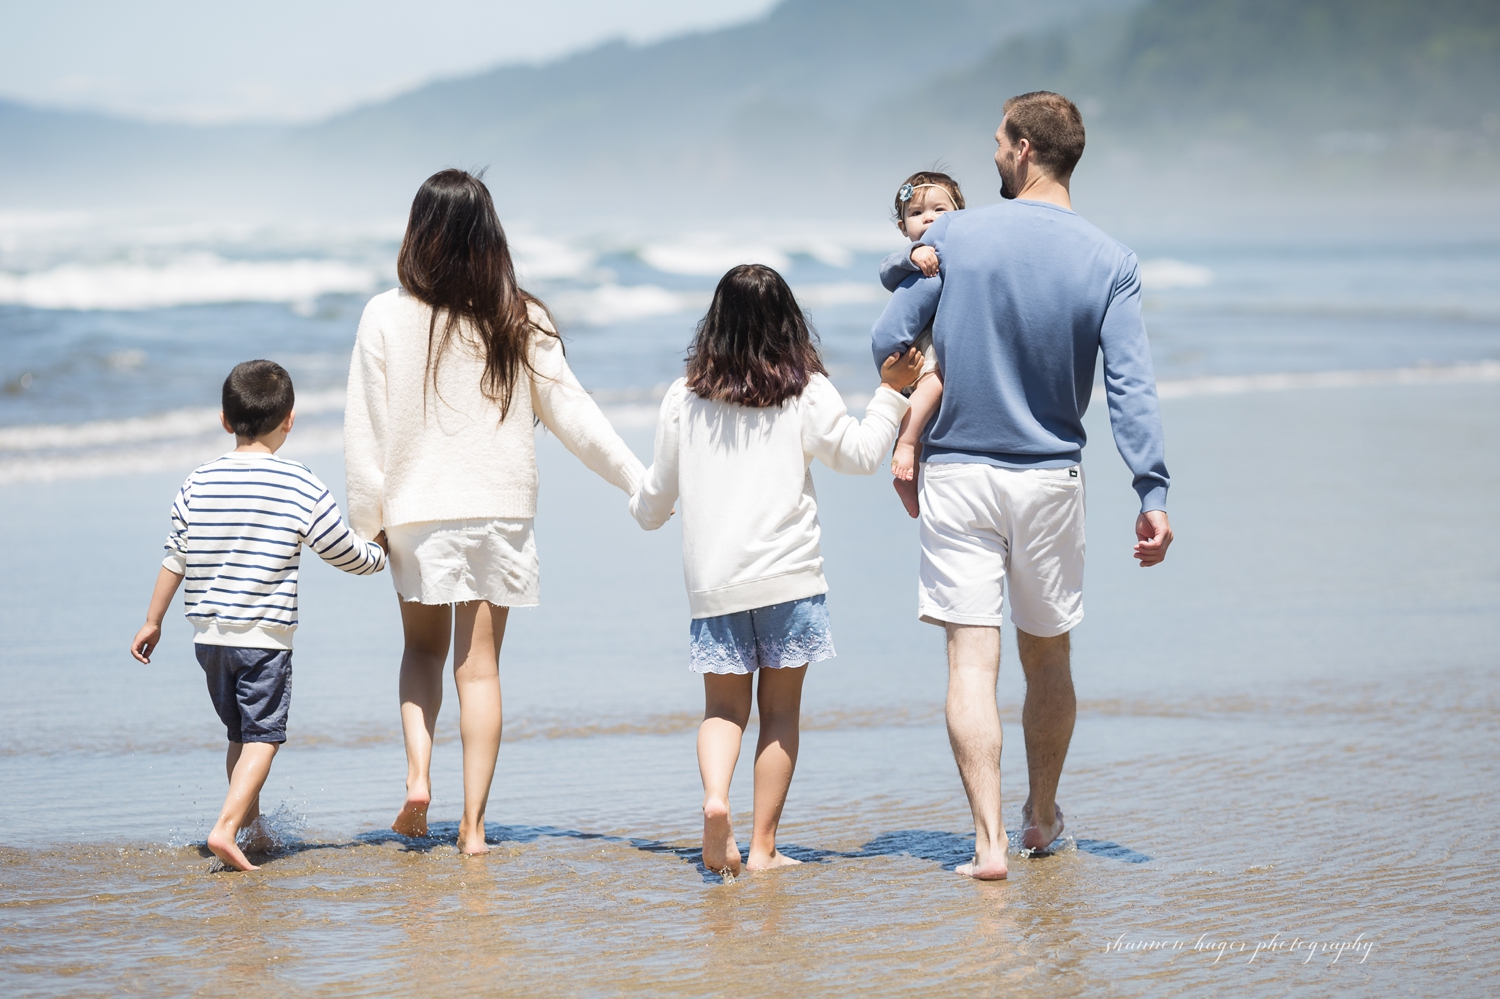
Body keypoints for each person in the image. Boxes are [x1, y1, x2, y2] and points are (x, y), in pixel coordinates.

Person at [870, 92, 1174, 881]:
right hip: (1049, 479)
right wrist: (1152, 492)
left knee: (971, 663)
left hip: (961, 473)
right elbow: (1129, 387)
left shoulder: (959, 236)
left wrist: (913, 392)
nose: (994, 151)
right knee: (1048, 658)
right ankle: (1041, 816)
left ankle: (989, 843)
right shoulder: (1110, 260)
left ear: (1026, 151)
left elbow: (888, 337)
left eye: (1000, 141)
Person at [344, 169, 644, 856]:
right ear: (490, 236)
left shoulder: (384, 315)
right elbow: (575, 415)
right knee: (479, 668)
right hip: (499, 513)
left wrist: (368, 522)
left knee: (421, 649)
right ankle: (474, 828)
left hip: (418, 512)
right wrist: (635, 477)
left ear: (417, 234)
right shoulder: (520, 316)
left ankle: (419, 776)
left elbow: (365, 432)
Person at [631, 264, 922, 877]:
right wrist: (892, 391)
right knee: (780, 714)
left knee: (722, 710)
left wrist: (640, 503)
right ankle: (762, 847)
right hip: (790, 578)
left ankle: (716, 800)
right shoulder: (806, 391)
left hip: (716, 583)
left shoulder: (683, 397)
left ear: (714, 324)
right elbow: (860, 454)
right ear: (790, 322)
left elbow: (654, 501)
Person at [130, 360, 388, 872]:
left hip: (209, 638)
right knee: (265, 736)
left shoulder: (197, 483)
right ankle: (226, 828)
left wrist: (152, 619)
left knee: (240, 736)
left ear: (225, 420)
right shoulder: (298, 483)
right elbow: (342, 551)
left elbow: (174, 555)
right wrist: (380, 553)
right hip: (263, 636)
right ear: (289, 420)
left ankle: (253, 828)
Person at [877, 171, 963, 518]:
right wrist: (913, 256)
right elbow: (886, 271)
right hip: (921, 341)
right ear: (903, 227)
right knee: (935, 383)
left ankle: (908, 480)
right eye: (916, 213)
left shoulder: (963, 245)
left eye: (939, 210)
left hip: (941, 336)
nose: (928, 218)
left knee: (929, 410)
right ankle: (907, 442)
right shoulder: (915, 253)